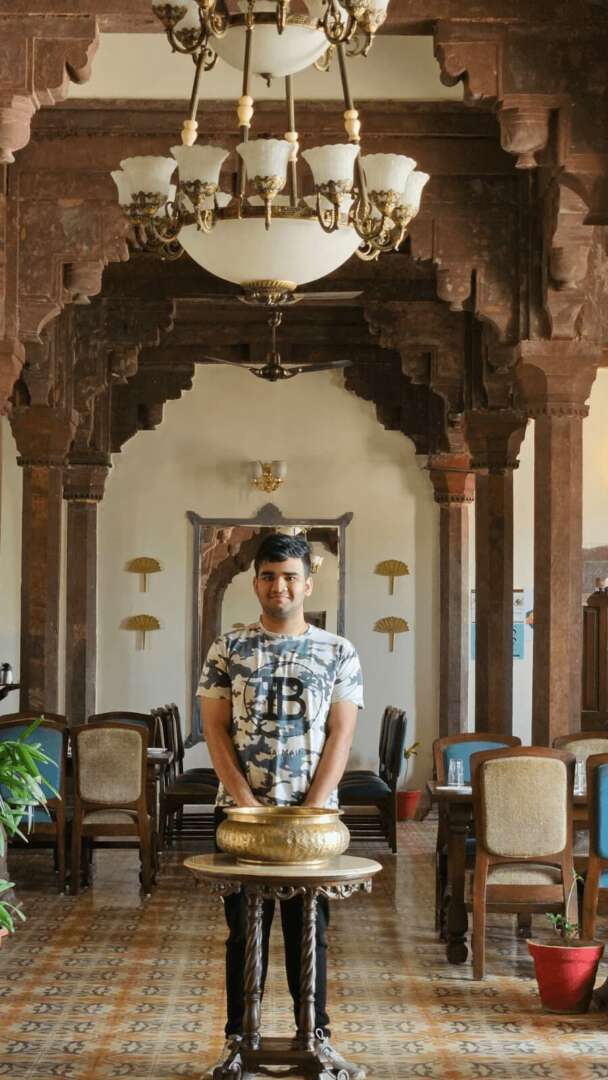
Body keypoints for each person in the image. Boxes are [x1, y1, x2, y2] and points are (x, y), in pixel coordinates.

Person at [198, 532, 364, 1078]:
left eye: (290, 577)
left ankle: (315, 1035)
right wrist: (246, 806)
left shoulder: (338, 651)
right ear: (256, 584)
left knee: (309, 930)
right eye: (269, 577)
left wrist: (311, 811)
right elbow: (215, 731)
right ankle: (237, 1040)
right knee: (244, 931)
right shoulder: (228, 649)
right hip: (240, 815)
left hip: (312, 817)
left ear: (307, 584)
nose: (279, 587)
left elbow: (341, 734)